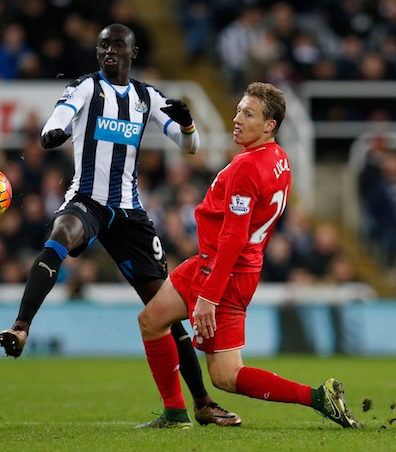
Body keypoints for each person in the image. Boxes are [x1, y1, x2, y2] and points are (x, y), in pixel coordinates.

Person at [0, 23, 240, 427]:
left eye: (117, 45)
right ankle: (21, 327)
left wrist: (188, 125)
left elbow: (189, 147)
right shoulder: (86, 88)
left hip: (128, 213)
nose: (109, 51)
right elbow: (55, 123)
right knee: (59, 238)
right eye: (103, 45)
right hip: (87, 201)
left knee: (164, 311)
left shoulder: (146, 97)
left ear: (133, 51)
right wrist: (54, 132)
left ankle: (198, 404)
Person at [135, 81, 361, 429]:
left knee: (225, 376)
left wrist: (209, 295)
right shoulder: (278, 159)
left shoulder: (246, 168)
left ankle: (318, 397)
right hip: (211, 264)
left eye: (248, 113)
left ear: (269, 125)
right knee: (151, 321)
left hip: (224, 273)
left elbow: (235, 236)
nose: (237, 118)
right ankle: (175, 413)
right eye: (239, 109)